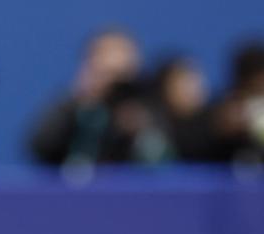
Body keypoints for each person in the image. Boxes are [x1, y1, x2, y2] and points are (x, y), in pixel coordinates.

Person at [29, 29, 169, 165]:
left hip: (138, 187)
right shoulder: (76, 103)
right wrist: (80, 102)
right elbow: (41, 148)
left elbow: (166, 156)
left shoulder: (149, 103)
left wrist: (139, 127)